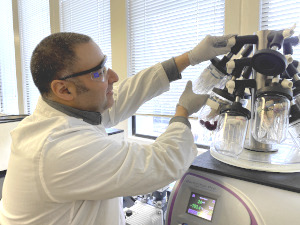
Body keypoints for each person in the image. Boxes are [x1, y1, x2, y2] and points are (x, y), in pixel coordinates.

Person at [0, 32, 235, 225]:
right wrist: (182, 112)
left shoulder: (63, 111)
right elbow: (162, 163)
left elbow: (123, 94)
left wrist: (189, 58)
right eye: (100, 72)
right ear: (64, 90)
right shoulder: (57, 148)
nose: (113, 76)